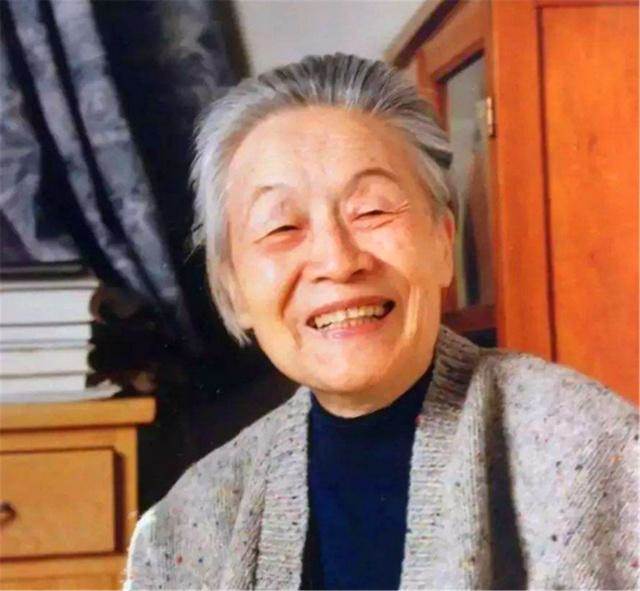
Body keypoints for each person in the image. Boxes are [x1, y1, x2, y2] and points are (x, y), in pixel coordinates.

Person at [124, 53, 638, 590]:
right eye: (281, 227)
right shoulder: (186, 526)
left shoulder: (592, 452)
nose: (337, 260)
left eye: (371, 211)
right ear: (232, 289)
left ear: (442, 242)